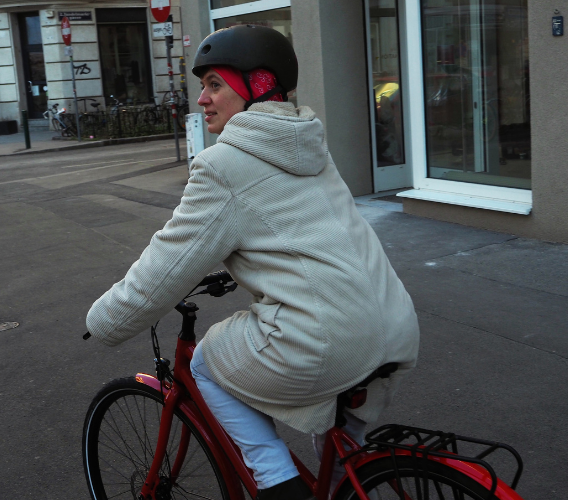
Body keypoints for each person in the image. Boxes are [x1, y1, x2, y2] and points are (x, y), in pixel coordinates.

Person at [86, 25, 419, 500]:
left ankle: (275, 480)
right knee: (344, 468)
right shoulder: (311, 149)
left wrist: (103, 322)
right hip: (393, 324)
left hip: (325, 340)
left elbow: (163, 267)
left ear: (258, 86)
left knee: (203, 362)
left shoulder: (224, 165)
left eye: (214, 84)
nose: (201, 100)